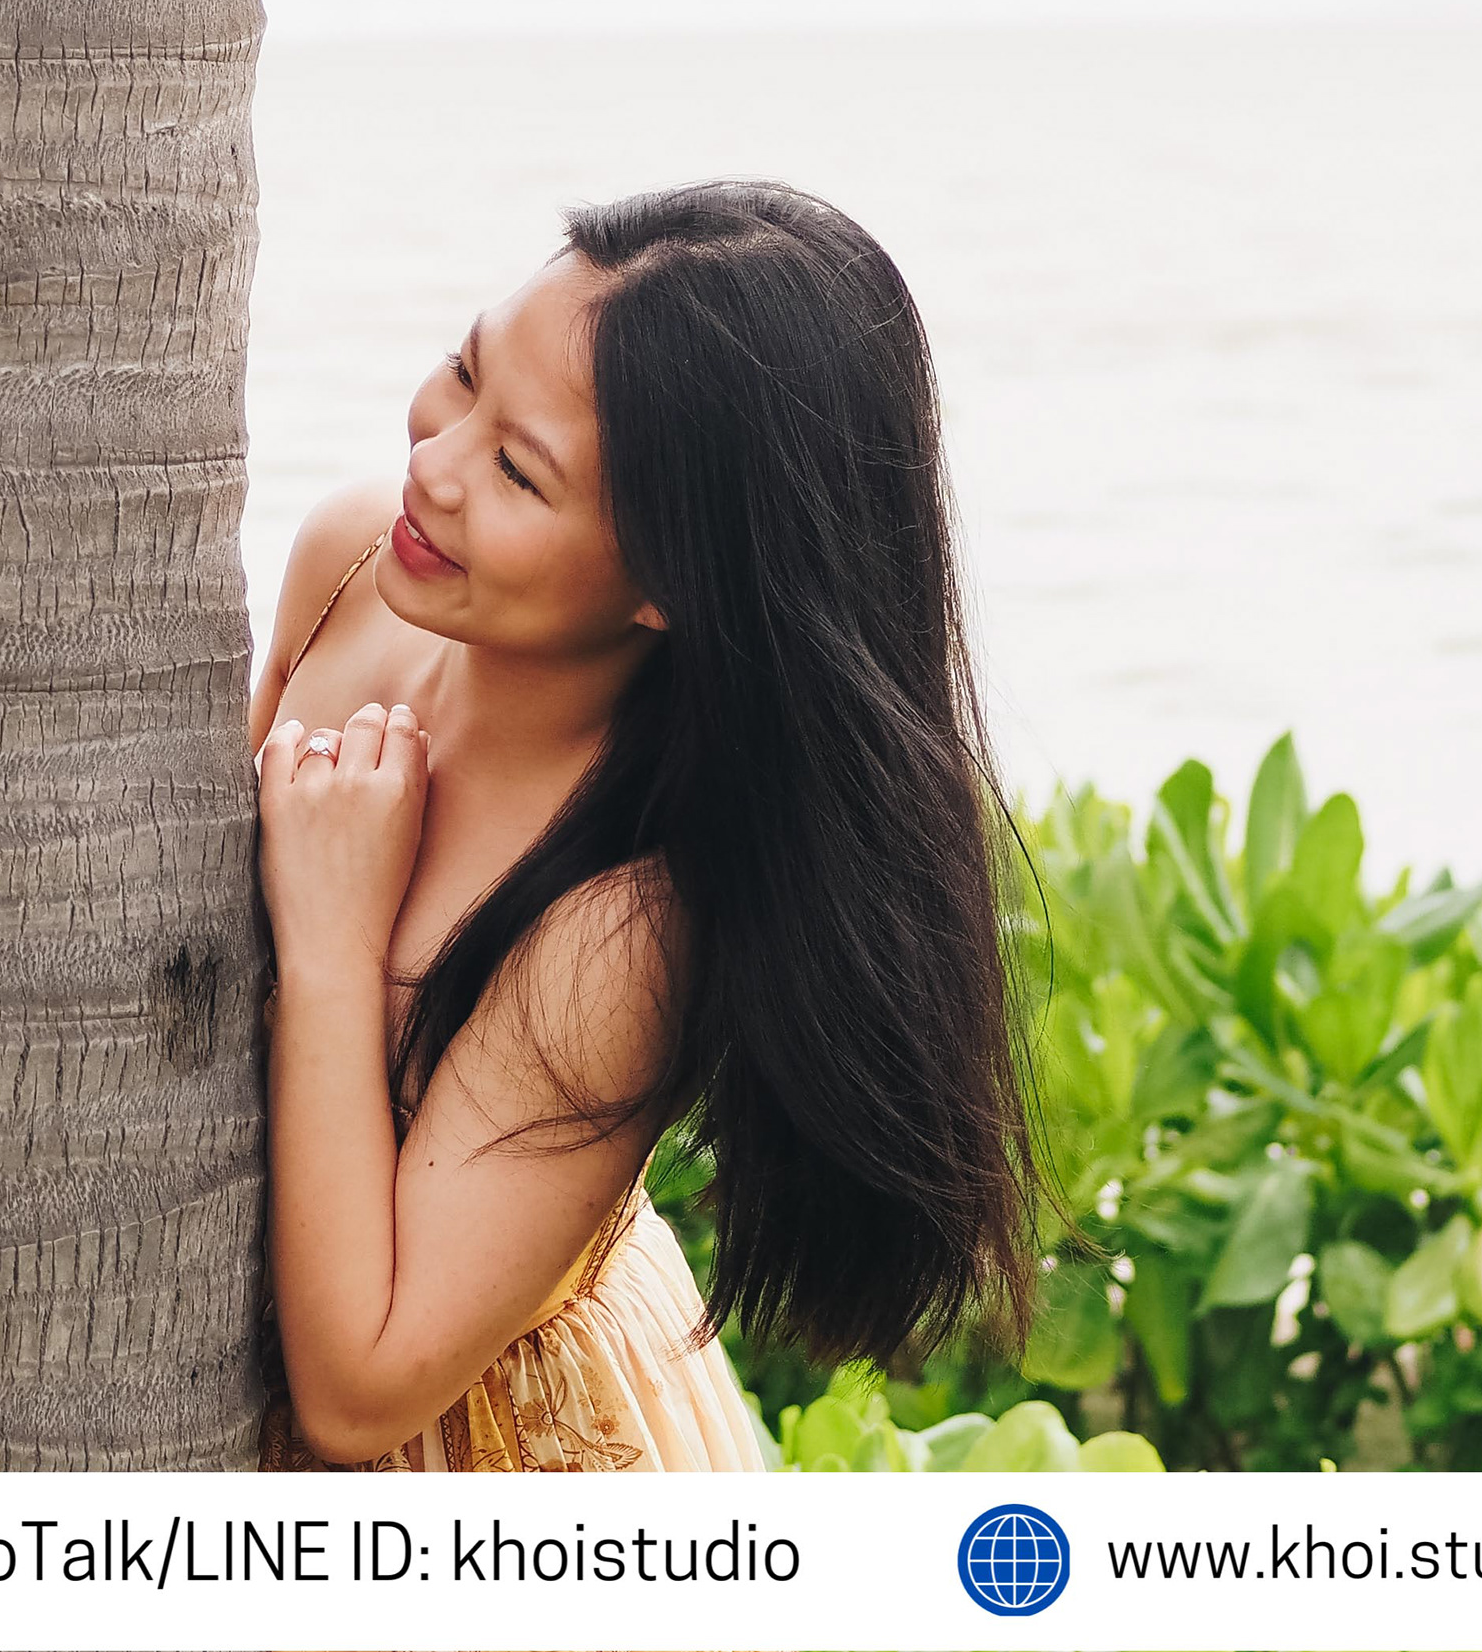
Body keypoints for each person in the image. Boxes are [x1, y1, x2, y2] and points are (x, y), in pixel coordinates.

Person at [249, 180, 1038, 1471]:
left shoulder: (622, 918)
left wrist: (333, 939)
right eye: (462, 372)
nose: (431, 465)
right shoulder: (347, 565)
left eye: (517, 469)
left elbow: (362, 1389)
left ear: (674, 582)